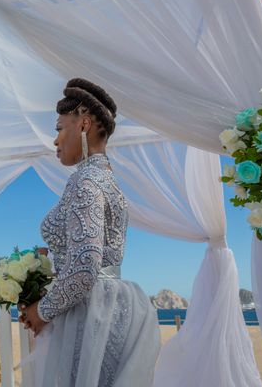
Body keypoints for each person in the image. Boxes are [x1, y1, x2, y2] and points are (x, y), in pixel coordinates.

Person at [20, 79, 160, 386]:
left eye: (59, 129)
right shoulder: (109, 183)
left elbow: (84, 269)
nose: (55, 141)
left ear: (84, 125)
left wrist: (41, 311)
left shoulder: (84, 182)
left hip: (89, 315)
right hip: (112, 308)